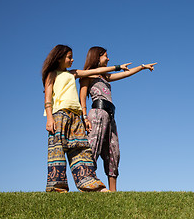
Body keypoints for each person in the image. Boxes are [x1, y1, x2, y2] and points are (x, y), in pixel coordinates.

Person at [42, 44, 131, 192]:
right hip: (59, 116)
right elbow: (47, 99)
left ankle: (91, 185)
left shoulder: (73, 73)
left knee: (81, 150)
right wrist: (49, 118)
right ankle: (57, 188)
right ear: (59, 58)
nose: (72, 60)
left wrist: (117, 67)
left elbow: (97, 71)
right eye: (69, 57)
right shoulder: (52, 74)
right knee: (57, 151)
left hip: (76, 118)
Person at [79, 46, 156, 192]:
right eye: (105, 56)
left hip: (110, 116)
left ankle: (113, 193)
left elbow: (125, 75)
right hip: (97, 114)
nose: (108, 59)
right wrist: (84, 118)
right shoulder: (87, 76)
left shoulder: (105, 77)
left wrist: (142, 67)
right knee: (93, 148)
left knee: (113, 152)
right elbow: (82, 98)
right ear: (97, 57)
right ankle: (88, 186)